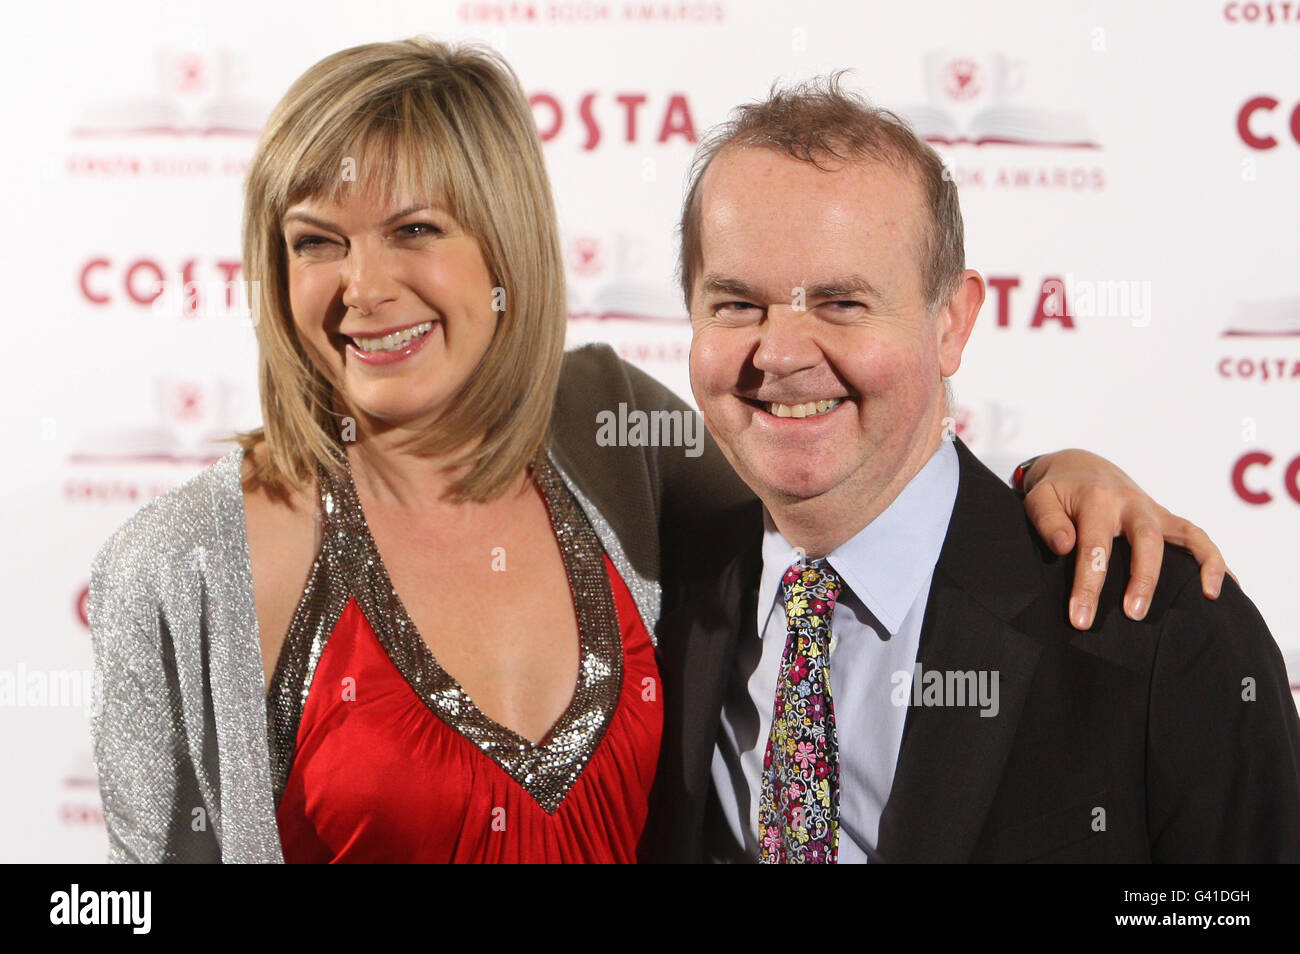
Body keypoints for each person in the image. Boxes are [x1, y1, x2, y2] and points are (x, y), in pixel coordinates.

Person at [87, 39, 1230, 864]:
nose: (365, 286)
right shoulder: (186, 564)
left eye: (417, 231)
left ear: (506, 247)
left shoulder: (605, 434)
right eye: (315, 242)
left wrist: (1052, 478)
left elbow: (835, 480)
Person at [643, 74, 1300, 863]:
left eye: (842, 304)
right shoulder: (657, 594)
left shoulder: (1159, 629)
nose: (779, 354)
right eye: (736, 305)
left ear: (951, 323)